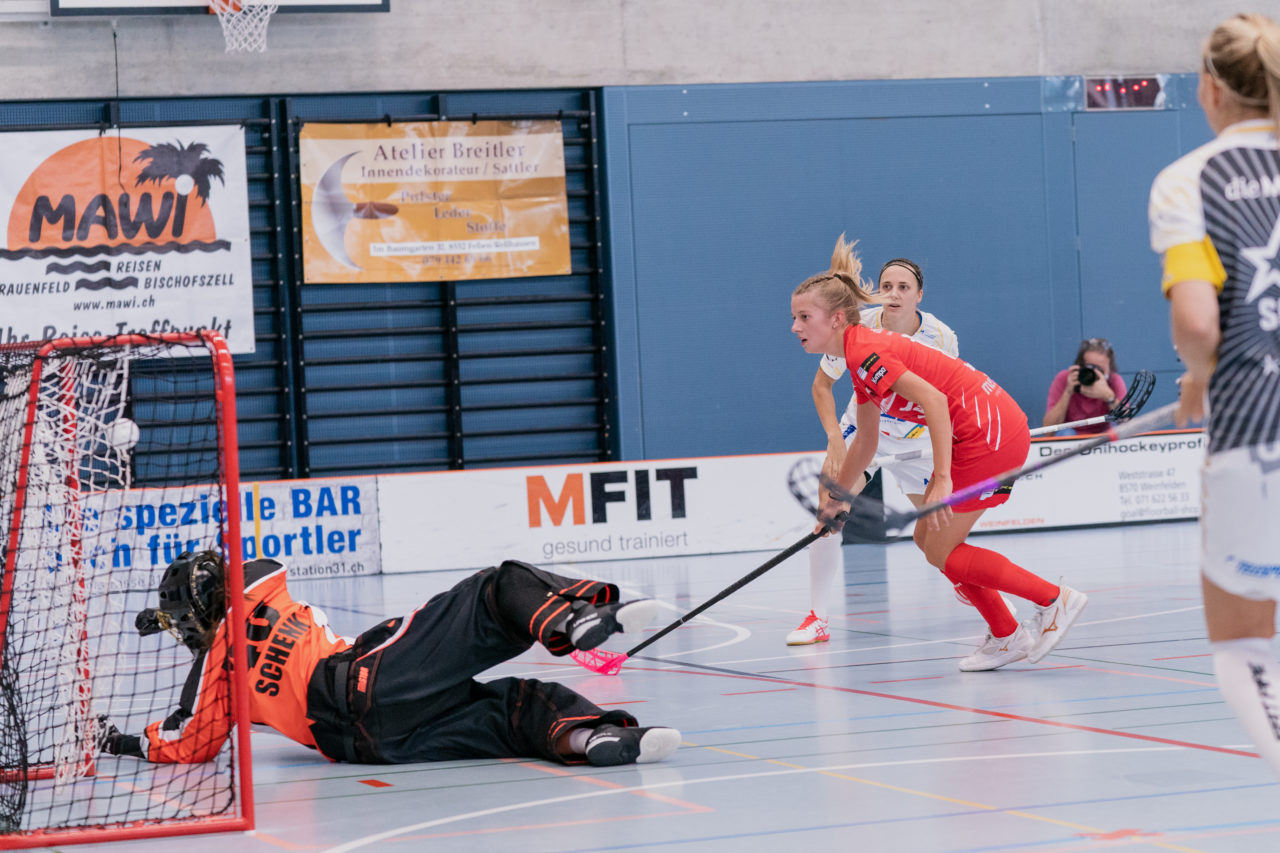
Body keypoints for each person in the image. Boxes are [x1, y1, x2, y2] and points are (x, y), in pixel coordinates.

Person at [791, 244, 1087, 671]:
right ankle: (1006, 635)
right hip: (984, 431)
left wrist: (942, 476)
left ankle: (1054, 599)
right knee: (928, 541)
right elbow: (867, 441)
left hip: (989, 436)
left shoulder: (866, 351)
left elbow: (934, 400)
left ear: (836, 319)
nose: (795, 326)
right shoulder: (859, 354)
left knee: (942, 550)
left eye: (804, 317)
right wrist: (837, 498)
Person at [96, 551, 681, 767]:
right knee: (495, 589)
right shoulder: (263, 584)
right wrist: (189, 618)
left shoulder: (212, 678)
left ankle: (592, 739)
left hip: (363, 746)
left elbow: (188, 742)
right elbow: (247, 575)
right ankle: (573, 619)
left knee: (510, 711)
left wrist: (119, 741)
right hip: (366, 678)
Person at [1148, 12, 1280, 780]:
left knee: (1245, 646)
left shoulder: (1189, 180)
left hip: (1256, 436)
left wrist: (1200, 372)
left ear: (1209, 88)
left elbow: (1198, 325)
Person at [788, 241, 959, 645]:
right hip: (866, 428)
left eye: (903, 287)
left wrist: (945, 465)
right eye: (887, 286)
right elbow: (821, 386)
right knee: (828, 510)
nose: (894, 294)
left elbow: (947, 397)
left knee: (940, 532)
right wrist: (834, 440)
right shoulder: (858, 327)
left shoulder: (941, 336)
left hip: (917, 436)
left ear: (919, 295)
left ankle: (968, 584)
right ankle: (818, 617)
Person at [1042, 338, 1127, 435]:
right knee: (1065, 433)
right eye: (1090, 368)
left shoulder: (1114, 380)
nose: (1095, 373)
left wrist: (1109, 397)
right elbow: (1048, 431)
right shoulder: (1065, 379)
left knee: (1118, 431)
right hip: (1072, 436)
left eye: (1100, 370)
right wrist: (1068, 392)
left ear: (1109, 369)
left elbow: (1127, 422)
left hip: (1103, 435)